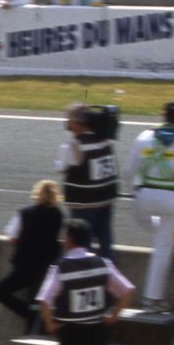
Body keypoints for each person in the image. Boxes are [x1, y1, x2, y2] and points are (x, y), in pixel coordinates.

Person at [123, 101, 174, 312]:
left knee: (157, 232)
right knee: (163, 246)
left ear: (162, 116)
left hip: (143, 196)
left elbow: (129, 168)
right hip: (172, 200)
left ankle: (168, 238)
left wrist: (133, 190)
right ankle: (152, 299)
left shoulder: (144, 136)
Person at [36, 219, 135, 345]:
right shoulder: (104, 264)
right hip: (98, 332)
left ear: (69, 239)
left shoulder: (60, 269)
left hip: (70, 334)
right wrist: (114, 316)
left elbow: (44, 300)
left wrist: (49, 324)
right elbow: (128, 290)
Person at [0, 179, 65, 328]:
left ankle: (29, 315)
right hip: (46, 266)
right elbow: (61, 239)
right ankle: (34, 323)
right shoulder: (58, 215)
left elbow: (12, 236)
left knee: (1, 292)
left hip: (24, 265)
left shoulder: (25, 213)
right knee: (36, 299)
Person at [55, 103, 119, 262]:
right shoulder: (106, 141)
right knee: (106, 241)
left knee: (81, 245)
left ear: (76, 123)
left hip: (84, 204)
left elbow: (60, 167)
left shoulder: (74, 146)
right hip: (106, 200)